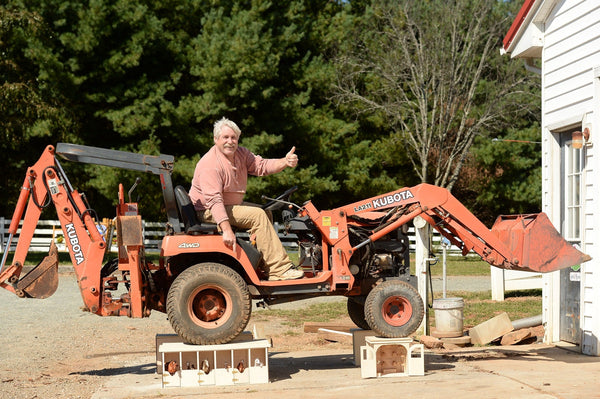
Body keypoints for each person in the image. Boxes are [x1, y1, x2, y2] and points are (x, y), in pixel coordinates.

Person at [189, 117, 304, 281]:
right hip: (208, 210)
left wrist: (285, 162)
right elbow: (214, 200)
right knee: (258, 216)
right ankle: (280, 269)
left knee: (265, 212)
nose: (230, 141)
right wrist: (226, 229)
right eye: (225, 137)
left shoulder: (241, 154)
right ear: (216, 139)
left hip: (228, 205)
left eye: (233, 137)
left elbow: (261, 166)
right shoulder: (210, 164)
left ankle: (267, 266)